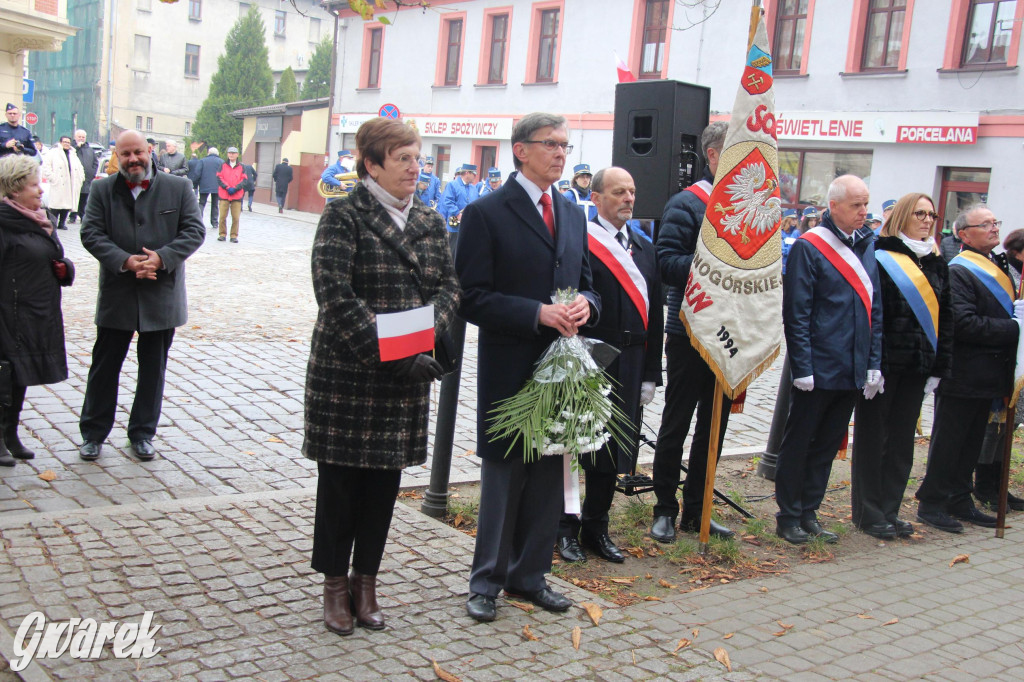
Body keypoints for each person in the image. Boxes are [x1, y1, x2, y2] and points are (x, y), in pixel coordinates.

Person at [304, 117, 459, 636]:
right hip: (350, 374)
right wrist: (395, 353)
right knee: (341, 485)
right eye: (404, 159)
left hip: (406, 377)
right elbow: (335, 296)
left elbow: (449, 291)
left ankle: (365, 581)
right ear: (372, 165)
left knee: (383, 487)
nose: (417, 168)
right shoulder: (343, 215)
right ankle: (332, 585)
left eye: (418, 158)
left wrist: (423, 342)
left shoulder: (432, 222)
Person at [457, 112, 600, 623]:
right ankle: (486, 582)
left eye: (565, 144)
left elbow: (588, 283)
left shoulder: (572, 212)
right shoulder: (487, 213)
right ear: (520, 150)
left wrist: (586, 303)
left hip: (561, 370)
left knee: (548, 476)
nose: (561, 153)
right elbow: (470, 297)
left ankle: (530, 576)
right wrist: (534, 313)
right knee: (504, 480)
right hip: (511, 366)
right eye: (550, 144)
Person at [77, 130, 205, 463]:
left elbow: (194, 230)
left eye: (138, 152)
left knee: (153, 368)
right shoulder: (103, 190)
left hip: (161, 294)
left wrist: (161, 258)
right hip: (118, 292)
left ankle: (143, 433)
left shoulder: (178, 188)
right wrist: (126, 261)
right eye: (125, 155)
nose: (133, 159)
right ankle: (92, 434)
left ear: (150, 151)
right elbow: (90, 232)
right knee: (104, 367)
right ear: (116, 157)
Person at [556, 167, 662, 564]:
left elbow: (657, 314)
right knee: (571, 446)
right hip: (589, 360)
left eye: (632, 192)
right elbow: (568, 295)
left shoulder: (646, 248)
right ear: (596, 197)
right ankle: (563, 529)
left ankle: (596, 528)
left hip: (631, 363)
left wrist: (652, 373)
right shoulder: (580, 240)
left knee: (612, 451)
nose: (628, 199)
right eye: (619, 192)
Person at [775, 175, 883, 544]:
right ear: (833, 206)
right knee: (800, 442)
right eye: (856, 205)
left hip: (852, 367)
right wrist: (802, 367)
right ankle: (788, 514)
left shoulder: (867, 245)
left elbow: (875, 311)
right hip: (818, 368)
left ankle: (810, 512)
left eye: (865, 204)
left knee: (826, 446)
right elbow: (798, 312)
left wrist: (874, 363)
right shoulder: (810, 246)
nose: (863, 212)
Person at [649, 122, 736, 543]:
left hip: (731, 335)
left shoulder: (747, 209)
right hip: (689, 328)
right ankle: (664, 507)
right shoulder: (686, 204)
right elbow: (666, 263)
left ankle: (697, 511)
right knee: (677, 422)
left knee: (714, 428)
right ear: (714, 156)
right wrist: (713, 263)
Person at [851, 194, 952, 539]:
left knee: (900, 444)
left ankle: (890, 509)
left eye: (932, 214)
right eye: (920, 214)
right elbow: (871, 313)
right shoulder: (880, 254)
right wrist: (871, 363)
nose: (927, 220)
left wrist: (939, 366)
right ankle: (868, 512)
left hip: (918, 366)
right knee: (873, 439)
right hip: (884, 366)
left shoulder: (936, 260)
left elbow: (946, 317)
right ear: (904, 216)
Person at [916, 205, 1021, 531]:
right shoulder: (959, 270)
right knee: (949, 442)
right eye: (985, 224)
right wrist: (1015, 328)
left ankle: (960, 498)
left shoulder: (994, 265)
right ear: (964, 234)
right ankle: (932, 503)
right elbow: (963, 323)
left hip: (989, 375)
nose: (993, 229)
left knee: (971, 443)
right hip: (962, 373)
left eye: (995, 223)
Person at [0, 155, 75, 466]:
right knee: (5, 373)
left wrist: (65, 270)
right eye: (34, 184)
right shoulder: (5, 223)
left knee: (21, 373)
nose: (41, 190)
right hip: (8, 311)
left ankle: (10, 434)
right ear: (16, 189)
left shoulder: (39, 220)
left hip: (37, 311)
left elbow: (54, 256)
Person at [41, 136, 85, 231]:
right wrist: (52, 178)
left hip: (70, 183)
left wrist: (81, 178)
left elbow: (80, 167)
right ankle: (53, 223)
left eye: (68, 142)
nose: (66, 144)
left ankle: (62, 223)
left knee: (67, 205)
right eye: (65, 142)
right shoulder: (53, 153)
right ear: (60, 142)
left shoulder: (73, 154)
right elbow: (46, 166)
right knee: (56, 205)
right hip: (58, 182)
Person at [217, 147, 246, 242]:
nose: (231, 155)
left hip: (236, 195)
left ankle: (233, 236)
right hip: (224, 194)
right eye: (229, 153)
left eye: (233, 153)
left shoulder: (242, 166)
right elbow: (219, 177)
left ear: (237, 154)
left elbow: (244, 179)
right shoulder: (222, 165)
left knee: (236, 217)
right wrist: (227, 187)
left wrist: (236, 188)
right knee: (222, 217)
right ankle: (222, 234)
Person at [70, 129, 98, 224]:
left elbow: (95, 162)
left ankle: (83, 216)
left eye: (83, 137)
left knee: (84, 199)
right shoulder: (72, 148)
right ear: (75, 137)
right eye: (79, 137)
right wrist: (77, 147)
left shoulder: (89, 149)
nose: (81, 139)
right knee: (75, 198)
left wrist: (92, 173)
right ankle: (72, 216)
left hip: (87, 179)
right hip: (75, 178)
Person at [438, 164, 478, 230]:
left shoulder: (473, 188)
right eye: (474, 174)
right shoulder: (452, 185)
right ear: (467, 173)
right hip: (455, 224)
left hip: (469, 225)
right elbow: (448, 201)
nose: (475, 176)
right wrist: (457, 214)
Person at [193, 147, 223, 228]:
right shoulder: (221, 162)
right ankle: (215, 222)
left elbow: (197, 174)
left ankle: (198, 221)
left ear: (208, 153)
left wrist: (195, 184)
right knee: (215, 204)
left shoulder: (202, 161)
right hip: (217, 186)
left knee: (202, 203)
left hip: (204, 185)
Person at [780, 208, 799, 273]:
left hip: (793, 265)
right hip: (783, 264)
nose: (794, 221)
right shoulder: (781, 232)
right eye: (792, 219)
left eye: (796, 219)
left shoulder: (797, 232)